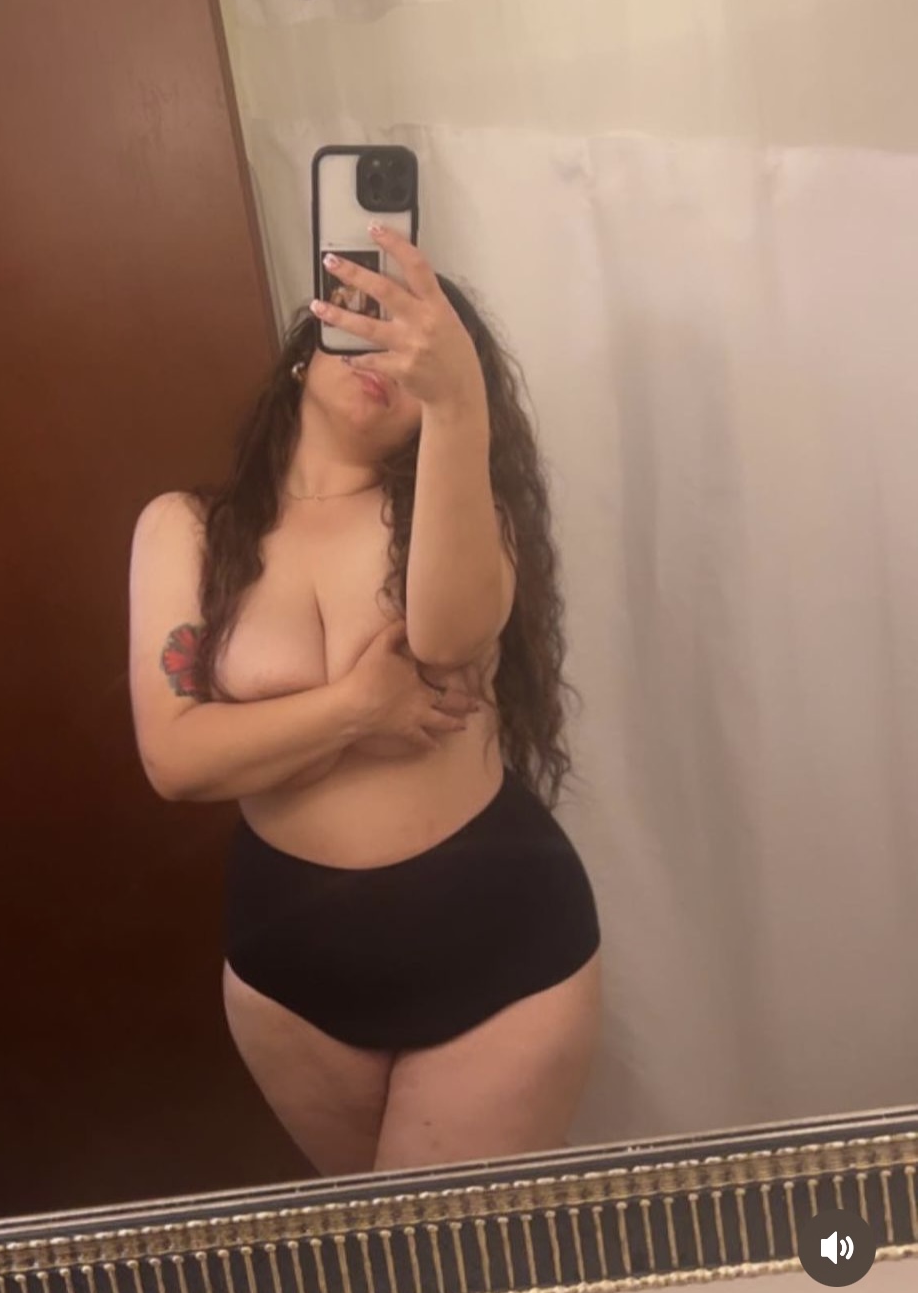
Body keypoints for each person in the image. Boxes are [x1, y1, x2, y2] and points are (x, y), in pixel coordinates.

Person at [128, 224, 601, 1176]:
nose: (382, 360)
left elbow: (449, 639)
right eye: (362, 325)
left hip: (496, 949)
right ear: (308, 345)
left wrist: (458, 402)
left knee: (454, 1251)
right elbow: (176, 759)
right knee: (376, 1246)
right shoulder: (186, 528)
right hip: (289, 975)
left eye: (413, 353)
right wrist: (358, 707)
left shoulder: (456, 517)